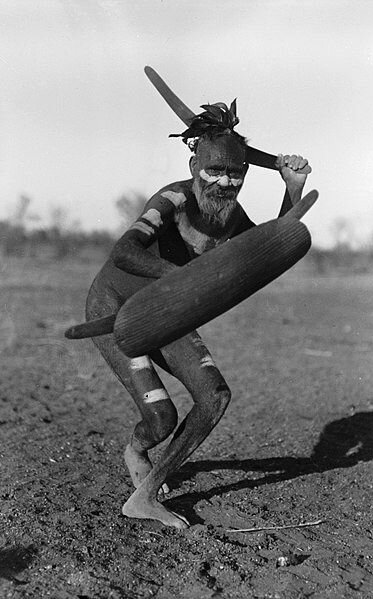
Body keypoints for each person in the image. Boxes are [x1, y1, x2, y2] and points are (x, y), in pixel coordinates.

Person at [85, 102, 311, 528]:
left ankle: (144, 495)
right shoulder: (172, 198)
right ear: (194, 164)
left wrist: (293, 187)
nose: (225, 182)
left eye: (235, 174)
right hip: (114, 308)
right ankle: (136, 450)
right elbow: (125, 252)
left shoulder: (232, 218)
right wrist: (182, 276)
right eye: (215, 171)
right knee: (161, 419)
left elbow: (273, 245)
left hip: (166, 312)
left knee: (214, 397)